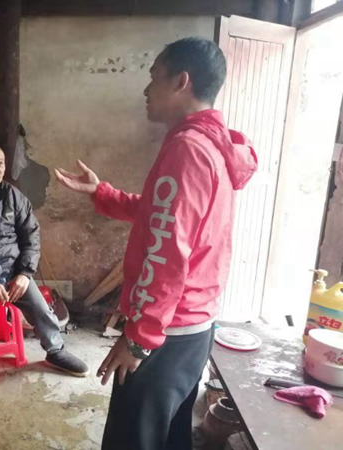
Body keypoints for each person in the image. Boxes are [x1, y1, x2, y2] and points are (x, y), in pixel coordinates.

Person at [55, 37, 257, 450]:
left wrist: (139, 338)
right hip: (193, 326)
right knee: (169, 436)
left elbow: (167, 254)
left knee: (134, 439)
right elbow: (160, 213)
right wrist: (101, 193)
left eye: (154, 78)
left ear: (181, 81)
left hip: (167, 332)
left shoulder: (187, 149)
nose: (146, 90)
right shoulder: (211, 145)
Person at [0, 143, 90, 409]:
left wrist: (24, 273)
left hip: (12, 272)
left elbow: (31, 236)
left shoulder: (14, 197)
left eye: (0, 163)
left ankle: (55, 351)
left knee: (40, 306)